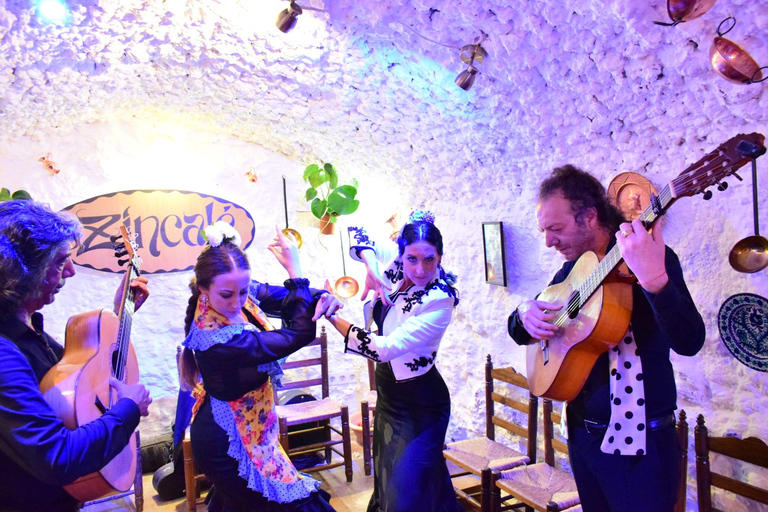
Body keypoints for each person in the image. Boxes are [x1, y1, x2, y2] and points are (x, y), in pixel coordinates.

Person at [507, 165, 705, 511]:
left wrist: (654, 279)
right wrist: (523, 313)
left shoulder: (647, 255)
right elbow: (520, 329)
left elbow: (689, 341)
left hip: (640, 443)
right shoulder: (572, 270)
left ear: (590, 218)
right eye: (544, 230)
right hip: (584, 436)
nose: (549, 241)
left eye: (556, 229)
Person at [0, 200, 153, 512]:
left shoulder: (26, 329)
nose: (70, 271)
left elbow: (77, 376)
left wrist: (119, 312)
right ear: (20, 274)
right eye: (58, 263)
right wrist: (127, 409)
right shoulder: (4, 354)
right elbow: (57, 457)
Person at [178, 222, 342, 512]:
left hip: (254, 429)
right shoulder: (216, 339)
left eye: (243, 291)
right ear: (203, 288)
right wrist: (296, 270)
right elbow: (299, 333)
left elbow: (289, 299)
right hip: (225, 441)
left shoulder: (241, 293)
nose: (237, 302)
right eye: (227, 295)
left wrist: (322, 297)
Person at [325, 210, 461, 512]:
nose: (420, 268)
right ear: (402, 253)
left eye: (429, 259)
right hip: (390, 396)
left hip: (422, 404)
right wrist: (372, 267)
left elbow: (385, 349)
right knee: (393, 481)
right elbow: (355, 229)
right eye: (412, 258)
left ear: (440, 257)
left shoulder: (440, 299)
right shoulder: (397, 266)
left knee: (406, 493)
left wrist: (334, 317)